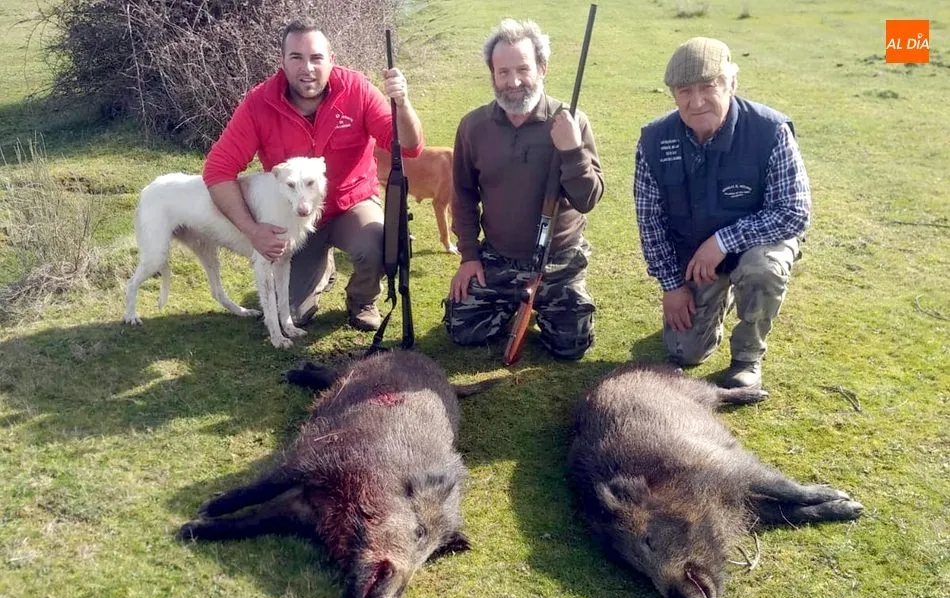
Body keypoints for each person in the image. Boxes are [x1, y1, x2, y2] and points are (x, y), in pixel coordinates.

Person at [202, 19, 424, 332]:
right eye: (296, 58)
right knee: (294, 312)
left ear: (331, 59)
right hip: (295, 215)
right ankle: (321, 268)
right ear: (282, 61)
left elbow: (410, 146)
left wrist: (402, 103)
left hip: (351, 203)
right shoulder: (258, 103)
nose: (307, 68)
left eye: (317, 58)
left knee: (378, 243)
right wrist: (252, 229)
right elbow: (217, 170)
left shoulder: (357, 89)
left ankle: (362, 299)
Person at [634, 37, 812, 389]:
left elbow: (794, 212)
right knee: (684, 353)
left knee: (761, 270)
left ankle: (748, 356)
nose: (696, 101)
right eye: (684, 90)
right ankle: (716, 299)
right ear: (672, 94)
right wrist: (672, 286)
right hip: (697, 257)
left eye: (708, 86)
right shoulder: (654, 140)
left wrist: (723, 241)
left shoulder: (770, 131)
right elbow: (649, 222)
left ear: (732, 83)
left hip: (756, 248)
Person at [444, 18, 604, 360]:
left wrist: (572, 151)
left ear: (542, 69)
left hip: (559, 259)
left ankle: (542, 306)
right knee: (461, 329)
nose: (513, 82)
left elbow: (588, 198)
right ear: (492, 74)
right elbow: (463, 195)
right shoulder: (473, 126)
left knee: (571, 347)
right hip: (498, 257)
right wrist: (470, 256)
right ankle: (521, 306)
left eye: (523, 69)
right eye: (502, 72)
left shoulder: (572, 122)